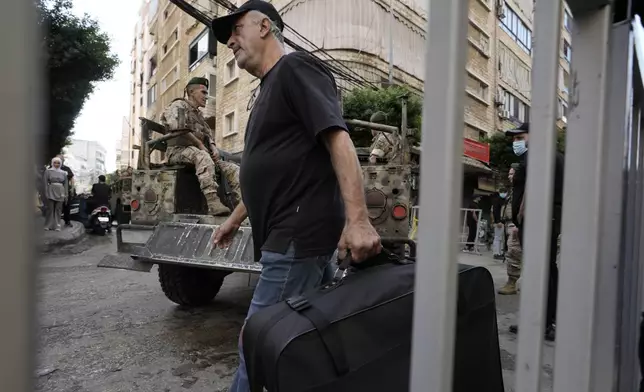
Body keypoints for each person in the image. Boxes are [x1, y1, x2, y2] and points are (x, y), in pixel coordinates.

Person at [209, 2, 381, 390]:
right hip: (295, 238)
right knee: (306, 337)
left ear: (265, 26)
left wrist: (358, 220)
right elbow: (272, 171)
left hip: (295, 236)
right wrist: (234, 220)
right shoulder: (269, 87)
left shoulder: (296, 68)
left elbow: (338, 138)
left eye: (236, 29)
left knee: (258, 342)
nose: (231, 41)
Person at [506, 122, 565, 342]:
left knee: (541, 270)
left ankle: (542, 323)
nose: (516, 142)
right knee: (547, 268)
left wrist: (522, 218)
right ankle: (546, 321)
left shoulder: (538, 155)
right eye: (514, 139)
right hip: (549, 217)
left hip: (539, 219)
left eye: (520, 137)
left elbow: (534, 188)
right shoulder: (555, 156)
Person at [159, 77, 241, 216]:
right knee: (202, 155)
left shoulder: (199, 115)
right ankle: (213, 202)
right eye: (203, 92)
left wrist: (213, 147)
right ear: (191, 91)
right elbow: (178, 128)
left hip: (197, 152)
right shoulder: (178, 105)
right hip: (177, 152)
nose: (206, 97)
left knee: (233, 168)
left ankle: (243, 205)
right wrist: (199, 144)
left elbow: (208, 134)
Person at [498, 167, 522, 295]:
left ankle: (512, 283)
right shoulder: (514, 190)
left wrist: (519, 224)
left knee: (514, 252)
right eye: (509, 173)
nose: (509, 176)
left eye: (512, 174)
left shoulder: (523, 188)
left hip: (517, 225)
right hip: (510, 223)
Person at [43, 157, 69, 231]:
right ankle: (48, 225)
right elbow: (45, 183)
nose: (56, 164)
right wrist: (46, 192)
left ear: (60, 164)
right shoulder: (48, 171)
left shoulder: (64, 173)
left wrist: (66, 195)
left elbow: (66, 185)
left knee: (58, 209)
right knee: (50, 209)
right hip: (51, 190)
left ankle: (58, 225)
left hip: (61, 191)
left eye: (58, 163)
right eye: (55, 162)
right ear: (52, 163)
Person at [57, 155, 75, 227]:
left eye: (61, 159)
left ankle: (67, 221)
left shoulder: (67, 169)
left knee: (66, 206)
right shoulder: (51, 168)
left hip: (65, 190)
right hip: (55, 190)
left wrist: (72, 188)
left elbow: (71, 178)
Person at [490, 189, 506, 260]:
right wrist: (497, 221)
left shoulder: (498, 200)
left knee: (499, 238)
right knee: (498, 238)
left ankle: (499, 253)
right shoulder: (497, 200)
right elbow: (495, 211)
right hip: (499, 222)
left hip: (500, 222)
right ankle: (496, 253)